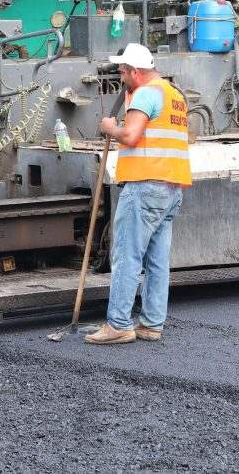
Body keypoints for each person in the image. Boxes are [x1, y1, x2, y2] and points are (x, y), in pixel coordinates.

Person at [85, 43, 192, 345]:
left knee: (127, 257)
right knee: (157, 260)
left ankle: (118, 323)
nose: (120, 76)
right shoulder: (174, 95)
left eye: (122, 71)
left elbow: (131, 136)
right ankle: (152, 323)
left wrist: (110, 128)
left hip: (145, 186)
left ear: (135, 71)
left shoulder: (145, 93)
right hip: (171, 187)